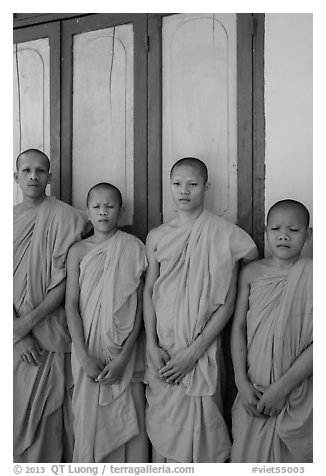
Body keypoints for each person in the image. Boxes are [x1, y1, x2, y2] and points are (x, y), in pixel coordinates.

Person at [143, 157, 258, 463]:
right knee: (165, 437)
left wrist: (192, 353)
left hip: (202, 351)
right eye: (178, 184)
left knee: (202, 437)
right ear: (170, 186)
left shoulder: (224, 234)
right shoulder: (156, 236)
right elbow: (148, 293)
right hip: (164, 351)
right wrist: (152, 346)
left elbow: (228, 303)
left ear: (206, 187)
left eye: (193, 184)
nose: (185, 191)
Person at [65, 182, 148, 463]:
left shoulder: (134, 248)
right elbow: (71, 305)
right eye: (97, 206)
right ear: (87, 211)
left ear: (121, 212)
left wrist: (125, 356)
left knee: (130, 424)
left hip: (125, 353)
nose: (103, 212)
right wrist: (84, 356)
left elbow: (138, 310)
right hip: (87, 350)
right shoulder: (77, 251)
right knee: (89, 426)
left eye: (110, 206)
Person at [13, 148, 87, 462]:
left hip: (50, 334)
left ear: (49, 177)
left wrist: (27, 323)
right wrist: (17, 334)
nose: (33, 176)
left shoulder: (68, 218)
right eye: (27, 170)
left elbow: (66, 281)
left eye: (40, 171)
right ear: (16, 177)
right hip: (14, 340)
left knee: (50, 417)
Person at [230, 199, 313, 463]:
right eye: (275, 228)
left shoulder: (315, 275)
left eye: (294, 230)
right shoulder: (251, 273)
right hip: (253, 388)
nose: (284, 235)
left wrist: (281, 389)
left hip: (297, 390)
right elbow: (238, 328)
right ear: (266, 232)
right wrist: (241, 382)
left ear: (308, 234)